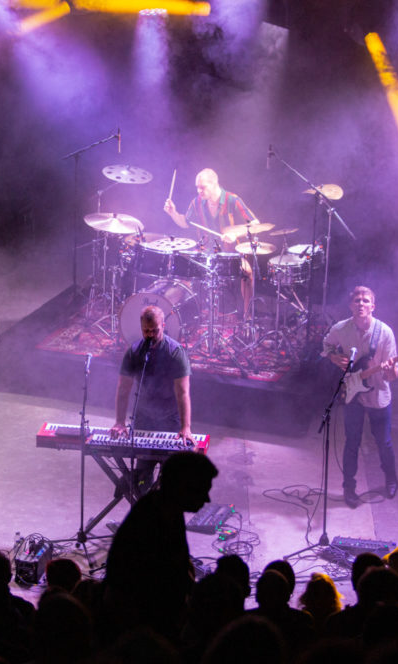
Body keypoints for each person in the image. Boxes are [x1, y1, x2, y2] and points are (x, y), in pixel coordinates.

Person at [103, 450, 218, 639]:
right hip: (136, 630)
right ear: (182, 487)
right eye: (202, 490)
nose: (207, 499)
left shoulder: (167, 508)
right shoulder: (152, 519)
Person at [322, 285, 398, 508]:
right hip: (352, 394)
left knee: (383, 442)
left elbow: (392, 377)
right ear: (351, 305)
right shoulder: (341, 328)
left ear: (373, 306)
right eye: (357, 300)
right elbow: (326, 344)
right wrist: (334, 357)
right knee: (351, 442)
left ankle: (391, 478)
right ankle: (349, 487)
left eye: (366, 301)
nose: (361, 304)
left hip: (378, 395)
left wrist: (388, 369)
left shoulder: (384, 333)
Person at [111, 305, 193, 492]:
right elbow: (123, 389)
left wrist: (185, 427)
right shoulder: (134, 352)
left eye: (155, 330)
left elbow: (182, 392)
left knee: (170, 480)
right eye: (146, 331)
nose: (151, 335)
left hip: (170, 419)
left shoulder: (175, 353)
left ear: (163, 326)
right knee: (142, 479)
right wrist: (119, 422)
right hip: (144, 418)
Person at [163, 168, 259, 319]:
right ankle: (171, 317)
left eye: (202, 187)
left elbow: (256, 224)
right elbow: (185, 223)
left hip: (230, 253)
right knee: (182, 275)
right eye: (197, 187)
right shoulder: (197, 202)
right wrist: (173, 213)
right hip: (205, 252)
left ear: (214, 183)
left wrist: (235, 234)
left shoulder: (232, 200)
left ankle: (248, 316)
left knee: (247, 273)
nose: (199, 190)